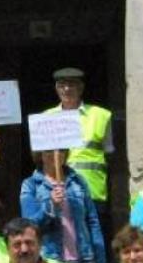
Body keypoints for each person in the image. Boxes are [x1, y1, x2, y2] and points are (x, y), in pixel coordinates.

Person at [19, 148, 107, 263]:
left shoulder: (78, 181)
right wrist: (50, 207)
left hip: (82, 262)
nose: (55, 155)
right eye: (49, 152)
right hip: (51, 262)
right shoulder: (31, 185)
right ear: (40, 155)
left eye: (60, 151)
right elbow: (29, 227)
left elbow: (92, 221)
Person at [46, 67, 115, 245]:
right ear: (56, 88)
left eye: (72, 85)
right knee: (65, 247)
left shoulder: (101, 115)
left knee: (95, 245)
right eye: (62, 85)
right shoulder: (46, 117)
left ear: (81, 88)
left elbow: (109, 153)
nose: (67, 89)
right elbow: (40, 158)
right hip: (59, 192)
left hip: (92, 192)